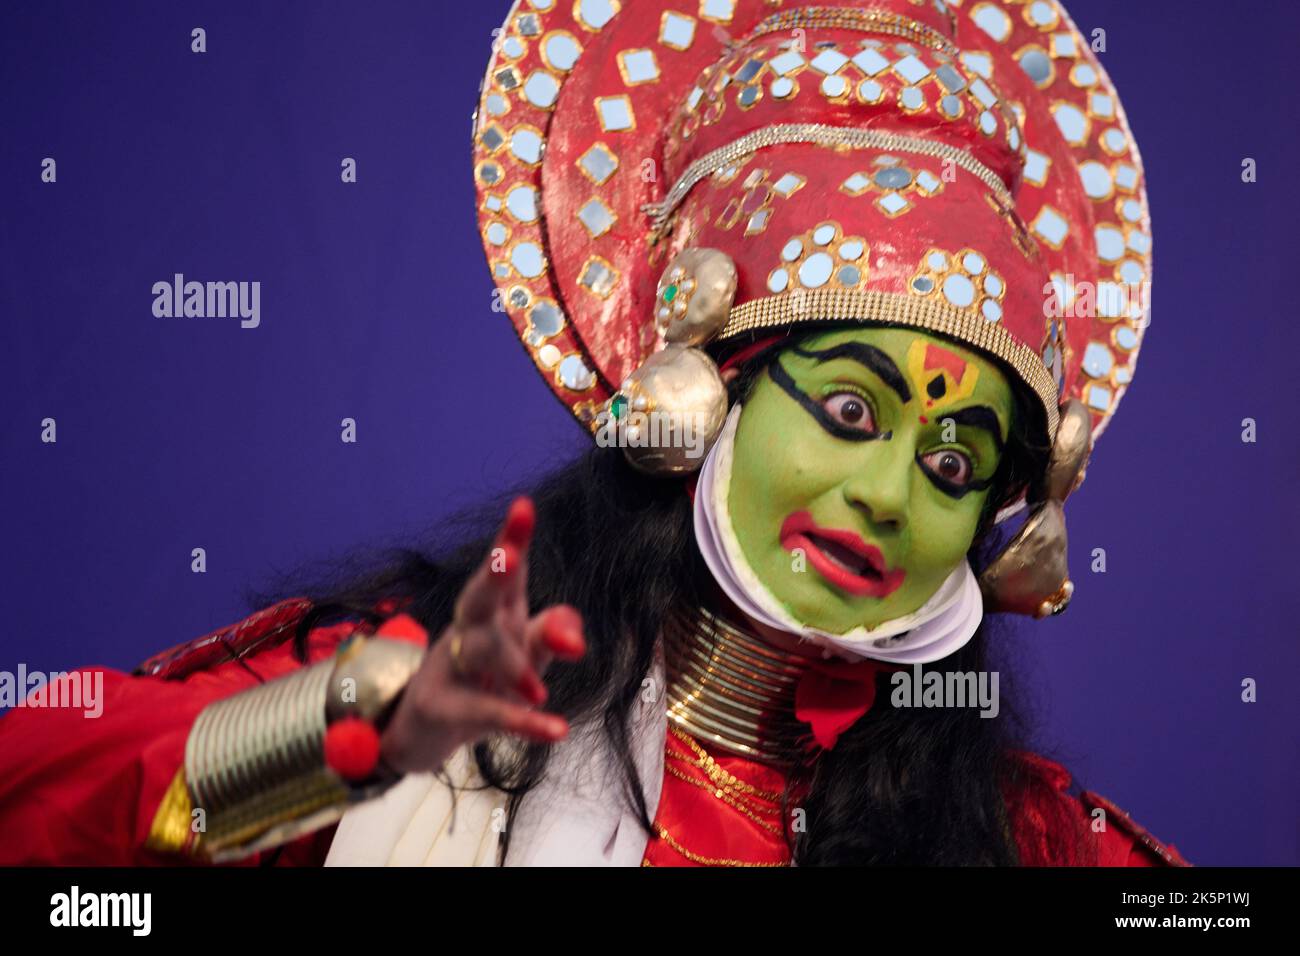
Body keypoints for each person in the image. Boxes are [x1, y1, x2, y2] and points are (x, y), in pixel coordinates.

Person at [0, 0, 1186, 867]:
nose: (887, 493)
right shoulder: (434, 708)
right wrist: (347, 741)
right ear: (705, 393)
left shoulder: (1021, 837)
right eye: (845, 411)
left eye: (950, 464)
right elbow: (41, 818)